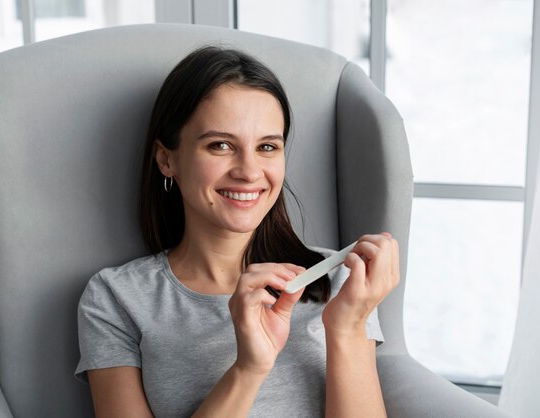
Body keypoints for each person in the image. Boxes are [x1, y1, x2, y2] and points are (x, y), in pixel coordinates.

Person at [75, 46, 400, 418]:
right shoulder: (116, 297)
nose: (248, 171)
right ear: (167, 159)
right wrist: (249, 368)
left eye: (267, 147)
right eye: (221, 145)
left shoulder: (340, 279)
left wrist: (347, 328)